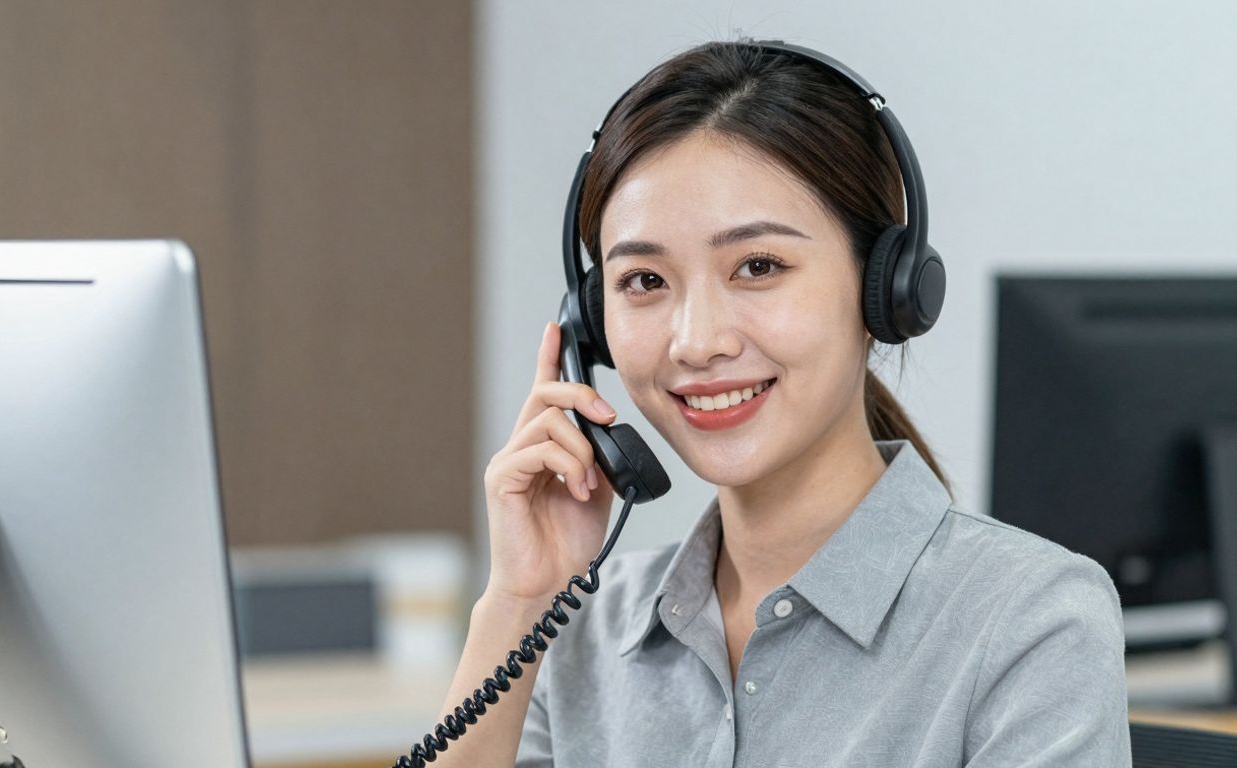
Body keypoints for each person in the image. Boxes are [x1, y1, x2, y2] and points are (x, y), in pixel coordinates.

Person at [429, 40, 1129, 767]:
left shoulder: (1029, 621)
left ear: (882, 292)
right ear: (592, 320)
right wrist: (518, 601)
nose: (695, 342)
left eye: (758, 267)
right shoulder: (582, 626)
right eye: (643, 281)